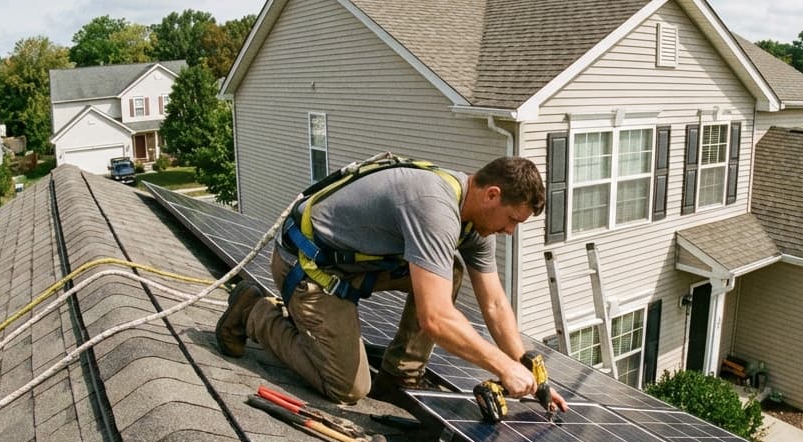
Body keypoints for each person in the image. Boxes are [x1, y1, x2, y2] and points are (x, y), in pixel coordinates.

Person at [216, 154, 568, 414]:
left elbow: (494, 304)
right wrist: (503, 367)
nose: (509, 231)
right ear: (492, 194)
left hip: (349, 263)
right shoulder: (434, 207)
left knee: (450, 271)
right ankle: (255, 313)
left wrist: (525, 365)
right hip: (308, 266)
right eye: (511, 220)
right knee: (347, 388)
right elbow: (436, 318)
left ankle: (400, 376)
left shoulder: (475, 223)